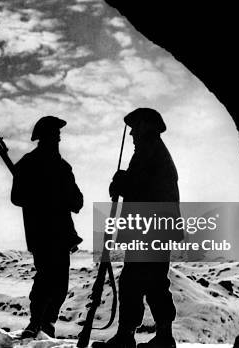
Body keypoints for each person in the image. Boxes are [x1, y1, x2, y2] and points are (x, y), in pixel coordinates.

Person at [94, 108, 180, 348]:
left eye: (135, 127)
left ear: (146, 126)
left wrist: (122, 182)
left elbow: (143, 188)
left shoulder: (149, 151)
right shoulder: (152, 151)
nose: (131, 133)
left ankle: (127, 336)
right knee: (154, 282)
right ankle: (162, 337)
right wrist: (124, 181)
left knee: (134, 282)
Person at [11, 116, 84, 338]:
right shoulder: (29, 164)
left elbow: (77, 202)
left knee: (58, 281)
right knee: (46, 277)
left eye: (58, 135)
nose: (58, 138)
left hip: (59, 233)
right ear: (44, 137)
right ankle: (36, 322)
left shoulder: (62, 167)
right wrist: (41, 196)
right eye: (55, 134)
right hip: (43, 231)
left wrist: (60, 196)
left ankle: (47, 323)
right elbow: (17, 197)